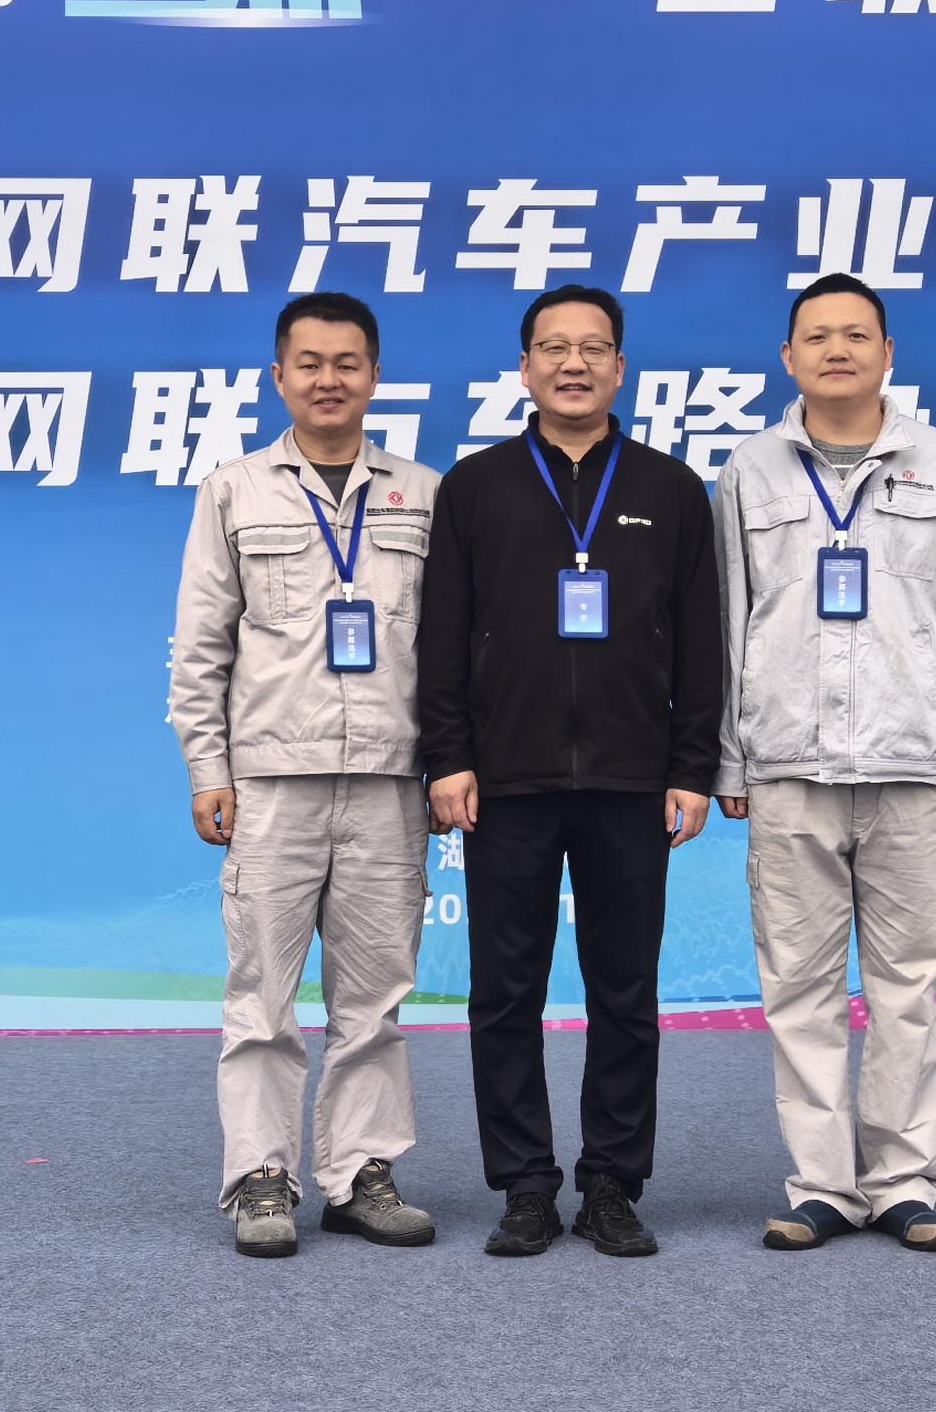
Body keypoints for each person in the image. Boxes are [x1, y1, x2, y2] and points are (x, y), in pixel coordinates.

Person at [711, 273, 936, 1255]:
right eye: (817, 335)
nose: (836, 350)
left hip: (909, 765)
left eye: (856, 334)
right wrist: (728, 757)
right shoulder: (749, 470)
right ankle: (822, 1187)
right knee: (797, 992)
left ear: (888, 353)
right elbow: (726, 620)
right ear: (788, 356)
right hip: (788, 767)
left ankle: (903, 1183)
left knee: (905, 989)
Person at [416, 284, 724, 1259]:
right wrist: (448, 755)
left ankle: (612, 1184)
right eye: (554, 347)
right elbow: (441, 636)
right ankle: (523, 1184)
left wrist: (692, 766)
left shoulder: (671, 489)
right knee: (505, 993)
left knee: (624, 991)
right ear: (525, 368)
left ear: (620, 368)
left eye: (593, 347)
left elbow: (702, 644)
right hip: (506, 778)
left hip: (633, 780)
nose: (573, 363)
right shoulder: (476, 487)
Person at [169, 292, 445, 1259]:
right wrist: (208, 767)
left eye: (348, 363)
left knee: (375, 1002)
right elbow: (201, 644)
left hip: (388, 783)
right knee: (262, 998)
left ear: (375, 375)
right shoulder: (235, 491)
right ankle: (261, 1177)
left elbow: (453, 651)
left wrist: (447, 766)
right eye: (311, 363)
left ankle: (362, 1174)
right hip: (272, 783)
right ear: (278, 375)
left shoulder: (424, 493)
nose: (330, 380)